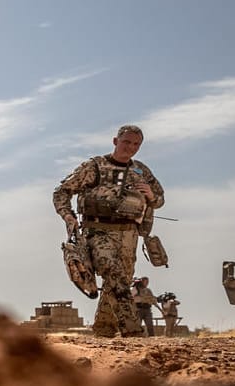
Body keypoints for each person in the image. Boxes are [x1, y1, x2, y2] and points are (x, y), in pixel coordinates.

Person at [53, 124, 167, 337]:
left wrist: (152, 196)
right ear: (115, 142)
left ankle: (104, 331)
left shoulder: (140, 171)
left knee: (119, 280)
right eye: (126, 142)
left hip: (129, 234)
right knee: (114, 273)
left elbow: (160, 200)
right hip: (97, 230)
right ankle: (132, 330)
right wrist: (68, 216)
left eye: (136, 144)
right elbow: (62, 192)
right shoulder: (94, 167)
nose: (130, 147)